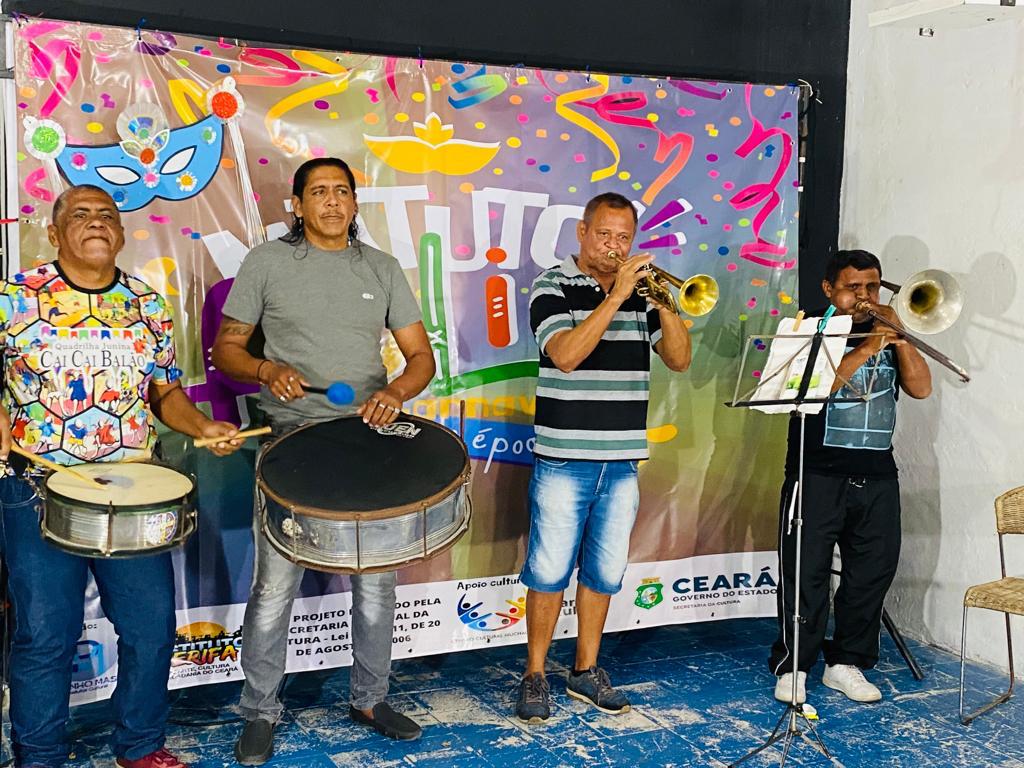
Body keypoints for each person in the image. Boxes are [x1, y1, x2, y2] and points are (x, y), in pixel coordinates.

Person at [0, 184, 244, 768]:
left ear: (121, 232)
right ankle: (39, 755)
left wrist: (202, 426)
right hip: (37, 487)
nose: (96, 222)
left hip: (132, 490)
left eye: (107, 215)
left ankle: (139, 746)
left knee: (150, 628)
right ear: (53, 233)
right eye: (80, 214)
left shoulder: (146, 304)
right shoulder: (13, 298)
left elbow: (165, 394)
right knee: (45, 635)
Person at [211, 157, 435, 764]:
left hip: (367, 441)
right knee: (274, 587)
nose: (332, 201)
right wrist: (265, 369)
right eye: (319, 192)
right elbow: (227, 349)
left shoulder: (381, 268)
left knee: (376, 583)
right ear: (297, 204)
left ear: (355, 203)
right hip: (291, 442)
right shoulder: (266, 262)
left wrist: (395, 392)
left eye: (342, 191)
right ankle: (259, 711)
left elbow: (420, 357)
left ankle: (370, 699)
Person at [515, 192, 692, 723]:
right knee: (548, 570)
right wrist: (615, 297)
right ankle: (535, 673)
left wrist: (664, 302)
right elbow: (565, 355)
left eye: (623, 237)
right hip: (564, 457)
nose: (614, 246)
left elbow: (679, 360)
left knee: (603, 570)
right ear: (582, 232)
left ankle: (585, 670)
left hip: (621, 460)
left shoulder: (642, 294)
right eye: (604, 234)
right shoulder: (551, 285)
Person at [769, 249, 932, 705]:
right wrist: (867, 347)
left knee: (871, 572)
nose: (864, 296)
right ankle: (795, 665)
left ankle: (846, 663)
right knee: (805, 573)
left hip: (877, 474)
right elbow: (812, 389)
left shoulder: (888, 331)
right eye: (852, 287)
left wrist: (901, 338)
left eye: (872, 287)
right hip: (816, 472)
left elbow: (921, 388)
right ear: (829, 289)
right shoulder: (809, 329)